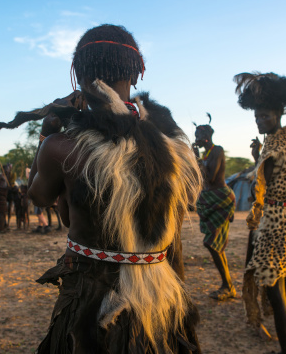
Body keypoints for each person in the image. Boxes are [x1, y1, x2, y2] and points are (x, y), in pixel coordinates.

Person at [28, 24, 203, 353]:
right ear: (135, 76)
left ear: (78, 77)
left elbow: (37, 195)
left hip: (89, 299)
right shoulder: (173, 144)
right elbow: (182, 209)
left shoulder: (61, 146)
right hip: (160, 294)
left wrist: (47, 129)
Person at [235, 72, 286, 354]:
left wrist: (255, 183)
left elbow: (261, 184)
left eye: (265, 116)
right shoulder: (285, 140)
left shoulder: (275, 144)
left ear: (277, 113)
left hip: (274, 226)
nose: (260, 121)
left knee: (275, 292)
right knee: (283, 287)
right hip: (285, 222)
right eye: (257, 117)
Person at [193, 116, 236, 300]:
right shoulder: (205, 154)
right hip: (210, 199)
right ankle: (228, 285)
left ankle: (228, 286)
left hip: (221, 199)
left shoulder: (216, 151)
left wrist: (198, 160)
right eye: (195, 135)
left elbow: (210, 177)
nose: (196, 138)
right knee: (215, 245)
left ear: (207, 136)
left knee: (211, 243)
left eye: (199, 135)